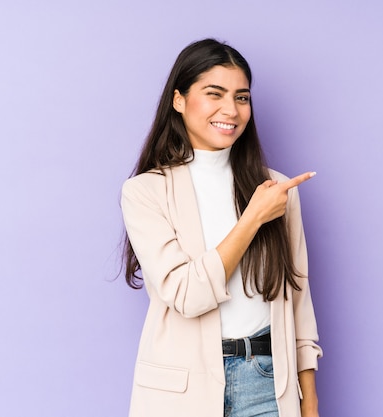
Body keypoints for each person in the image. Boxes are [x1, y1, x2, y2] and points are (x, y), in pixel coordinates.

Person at [120, 38, 323, 417]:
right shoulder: (144, 192)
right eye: (214, 94)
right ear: (178, 100)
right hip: (178, 391)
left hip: (268, 384)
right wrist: (252, 219)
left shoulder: (276, 191)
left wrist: (309, 400)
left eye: (242, 97)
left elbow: (299, 300)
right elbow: (187, 295)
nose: (230, 109)